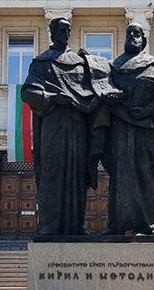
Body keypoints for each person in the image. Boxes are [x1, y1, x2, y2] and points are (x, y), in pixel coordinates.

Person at [21, 17, 121, 235]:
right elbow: (28, 92)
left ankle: (77, 225)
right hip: (53, 125)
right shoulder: (42, 62)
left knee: (77, 175)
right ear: (52, 32)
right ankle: (50, 225)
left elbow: (94, 87)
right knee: (52, 174)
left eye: (68, 30)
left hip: (77, 126)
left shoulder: (79, 62)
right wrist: (52, 97)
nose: (65, 33)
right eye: (61, 30)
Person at [102, 23, 154, 236]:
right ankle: (116, 224)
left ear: (143, 40)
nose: (132, 37)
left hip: (145, 129)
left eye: (137, 34)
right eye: (129, 33)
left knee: (146, 173)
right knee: (120, 175)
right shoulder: (113, 66)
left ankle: (149, 224)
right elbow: (103, 89)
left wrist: (149, 109)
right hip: (119, 128)